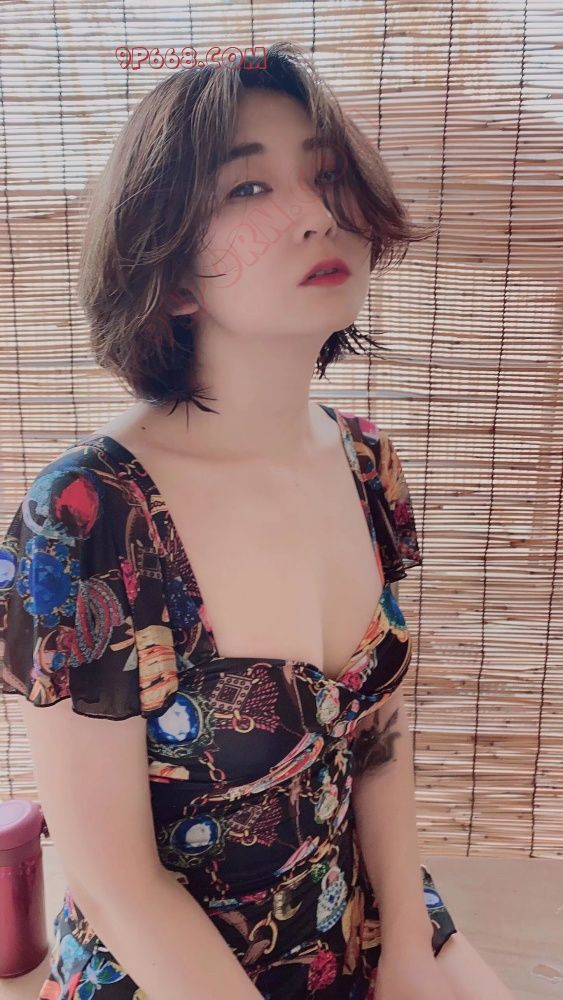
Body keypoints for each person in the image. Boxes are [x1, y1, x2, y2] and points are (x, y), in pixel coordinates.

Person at [1, 41, 464, 1000]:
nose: (318, 213)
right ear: (169, 271)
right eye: (248, 188)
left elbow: (377, 739)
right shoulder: (89, 514)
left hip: (360, 924)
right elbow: (115, 882)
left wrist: (410, 957)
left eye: (326, 175)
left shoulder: (364, 462)